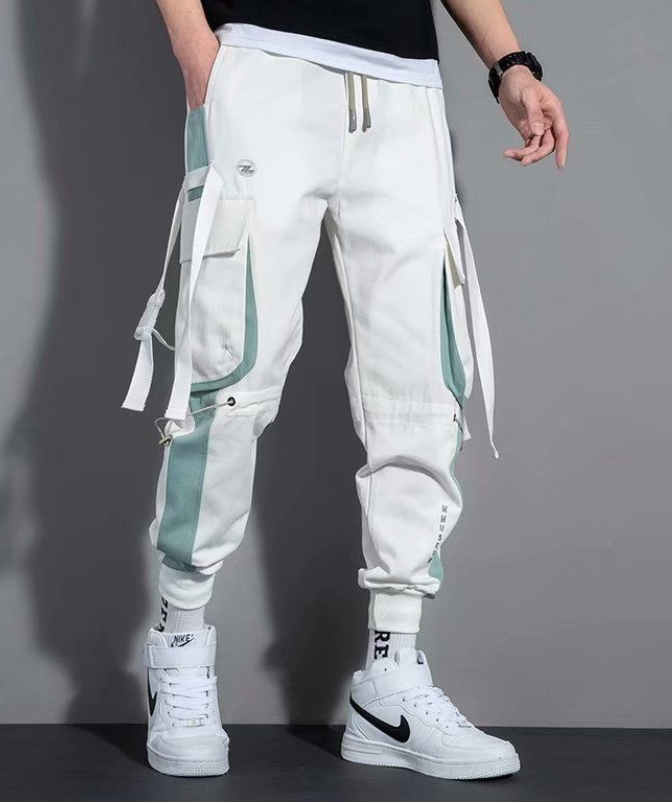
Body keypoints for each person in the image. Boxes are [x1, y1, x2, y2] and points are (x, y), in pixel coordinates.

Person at [124, 0, 569, 779]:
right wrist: (197, 50)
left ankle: (391, 679)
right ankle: (181, 643)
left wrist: (510, 66)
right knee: (228, 369)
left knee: (422, 383)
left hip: (404, 87)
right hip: (262, 60)